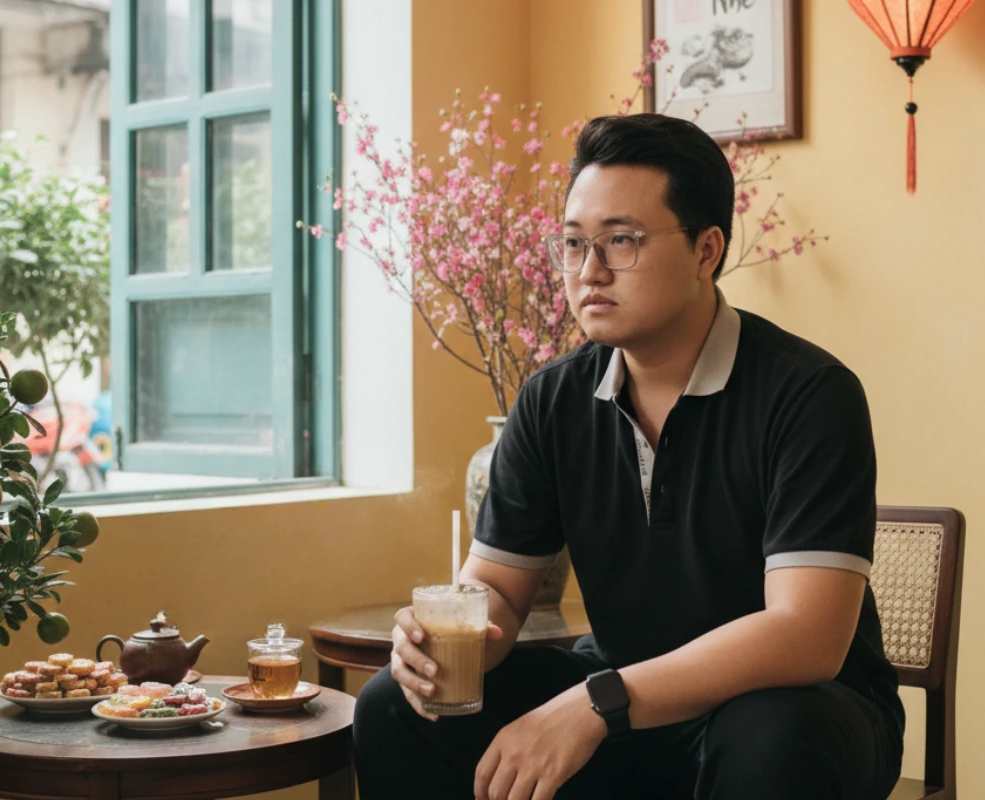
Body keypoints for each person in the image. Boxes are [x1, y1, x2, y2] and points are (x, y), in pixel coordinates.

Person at [352, 113, 905, 800]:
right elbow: (497, 591)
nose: (589, 271)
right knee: (393, 707)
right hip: (623, 703)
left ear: (707, 250)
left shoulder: (809, 394)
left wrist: (596, 704)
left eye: (622, 241)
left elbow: (805, 636)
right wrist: (441, 643)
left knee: (770, 738)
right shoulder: (551, 400)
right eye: (573, 243)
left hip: (798, 709)